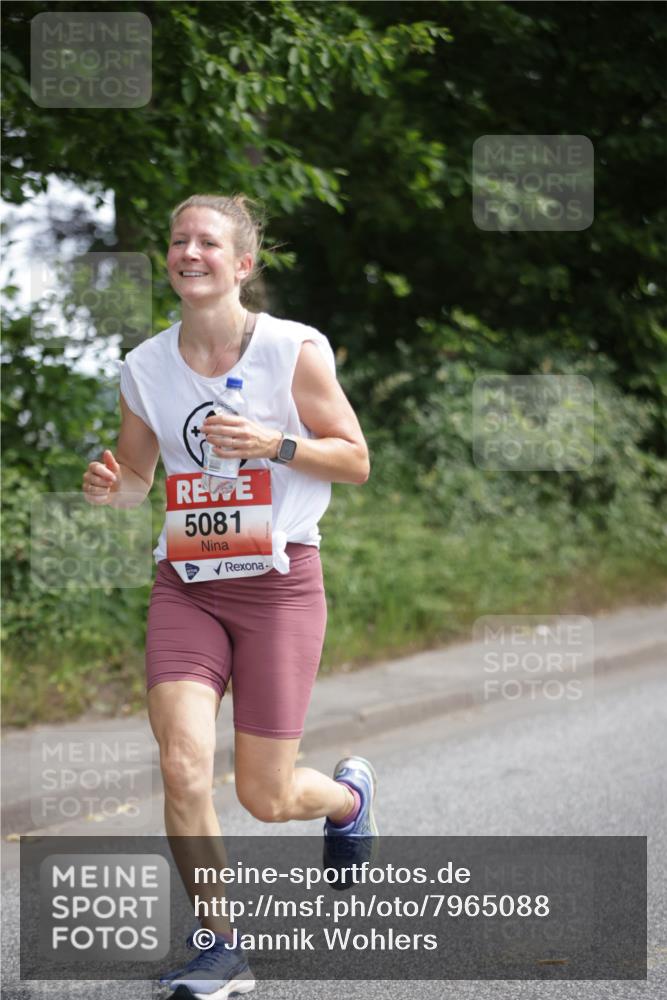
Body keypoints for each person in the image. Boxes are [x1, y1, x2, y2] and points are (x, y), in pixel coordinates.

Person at [82, 193, 378, 998]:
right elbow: (140, 479)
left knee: (265, 792)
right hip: (187, 584)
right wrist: (112, 486)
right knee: (181, 766)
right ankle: (220, 945)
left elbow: (354, 460)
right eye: (178, 239)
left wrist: (275, 442)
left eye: (206, 241)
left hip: (278, 587)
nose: (188, 251)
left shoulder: (292, 350)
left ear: (241, 264)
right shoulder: (145, 366)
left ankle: (346, 801)